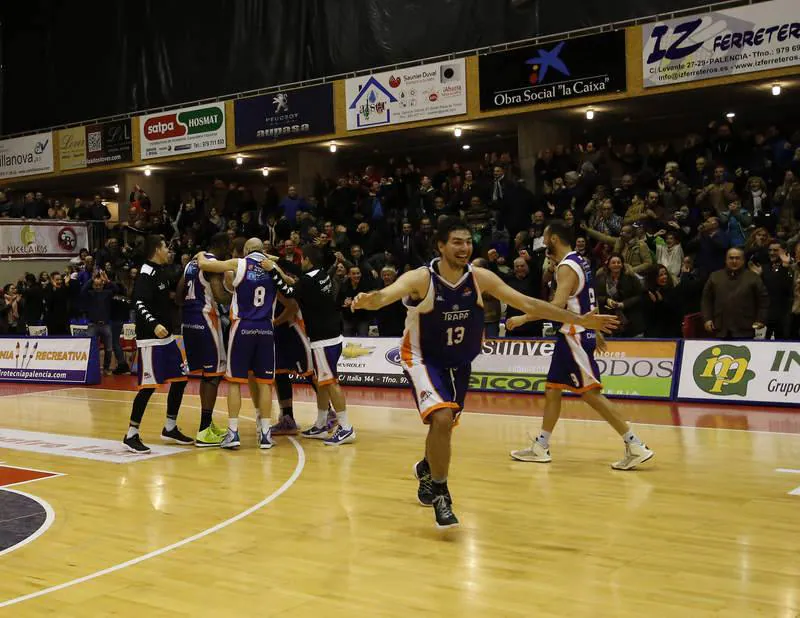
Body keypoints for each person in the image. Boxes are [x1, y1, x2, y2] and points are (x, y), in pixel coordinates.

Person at [351, 218, 618, 529]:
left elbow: (528, 303)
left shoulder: (480, 278)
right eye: (456, 242)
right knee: (441, 418)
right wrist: (372, 300)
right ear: (440, 245)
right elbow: (388, 294)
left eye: (467, 242)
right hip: (422, 358)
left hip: (460, 362)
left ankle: (427, 467)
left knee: (444, 425)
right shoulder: (422, 278)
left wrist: (579, 320)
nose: (464, 248)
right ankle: (441, 492)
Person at [508, 221, 654, 471]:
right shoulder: (582, 261)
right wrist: (594, 331)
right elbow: (588, 300)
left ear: (553, 238)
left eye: (545, 238)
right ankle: (541, 446)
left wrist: (523, 318)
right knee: (553, 389)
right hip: (574, 333)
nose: (543, 243)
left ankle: (635, 444)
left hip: (573, 335)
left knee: (590, 394)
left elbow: (557, 305)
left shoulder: (566, 267)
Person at [263, 245, 356, 447]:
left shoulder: (307, 280)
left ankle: (346, 427)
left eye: (302, 259)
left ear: (308, 260)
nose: (300, 263)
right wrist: (277, 261)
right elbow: (296, 275)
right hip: (332, 335)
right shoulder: (321, 275)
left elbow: (288, 291)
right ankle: (321, 424)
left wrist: (271, 270)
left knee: (331, 382)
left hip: (324, 339)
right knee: (323, 382)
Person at [197, 238, 277, 450]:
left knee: (234, 381)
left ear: (245, 250)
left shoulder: (239, 263)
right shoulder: (273, 267)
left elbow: (206, 266)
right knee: (265, 383)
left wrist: (199, 255)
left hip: (243, 327)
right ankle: (266, 434)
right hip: (266, 328)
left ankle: (233, 432)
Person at [124, 235, 192, 454]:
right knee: (149, 386)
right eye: (165, 247)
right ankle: (131, 434)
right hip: (151, 338)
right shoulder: (146, 272)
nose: (168, 251)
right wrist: (153, 324)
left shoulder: (162, 271)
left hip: (167, 337)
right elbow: (139, 303)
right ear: (156, 249)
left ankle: (170, 427)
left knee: (181, 379)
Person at [177, 232, 230, 447]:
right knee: (213, 376)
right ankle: (204, 430)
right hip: (206, 320)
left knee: (205, 375)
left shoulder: (192, 262)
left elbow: (179, 293)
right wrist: (236, 295)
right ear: (223, 245)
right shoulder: (212, 264)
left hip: (188, 322)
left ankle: (206, 426)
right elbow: (219, 296)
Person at [701, 247, 768, 339]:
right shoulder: (715, 276)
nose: (734, 261)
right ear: (726, 260)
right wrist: (707, 319)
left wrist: (760, 320)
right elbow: (706, 300)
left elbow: (763, 302)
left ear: (743, 260)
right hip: (720, 327)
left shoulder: (753, 277)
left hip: (745, 328)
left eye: (737, 258)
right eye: (731, 258)